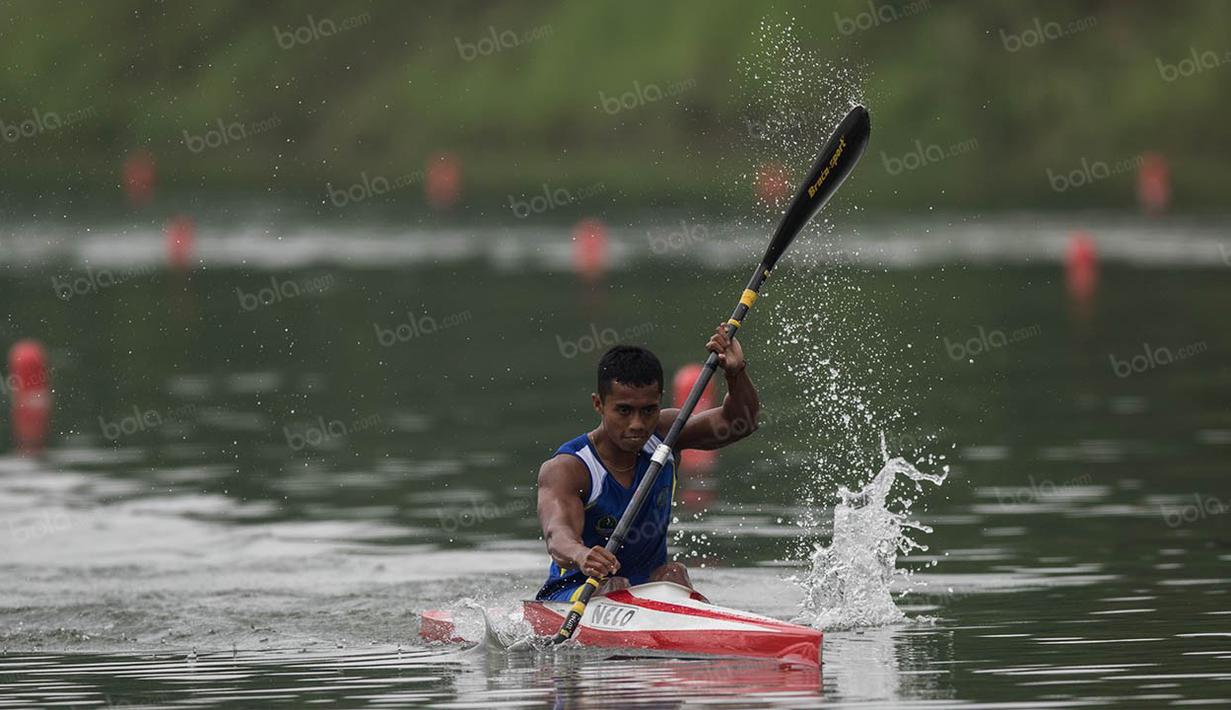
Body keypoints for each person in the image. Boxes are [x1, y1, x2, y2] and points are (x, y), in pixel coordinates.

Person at [535, 325, 760, 602]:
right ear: (598, 404)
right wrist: (581, 554)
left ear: (659, 402)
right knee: (615, 585)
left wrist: (736, 373)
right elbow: (557, 536)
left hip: (648, 590)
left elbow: (741, 423)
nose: (637, 424)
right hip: (576, 593)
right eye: (624, 410)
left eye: (648, 410)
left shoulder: (667, 434)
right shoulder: (569, 468)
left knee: (674, 574)